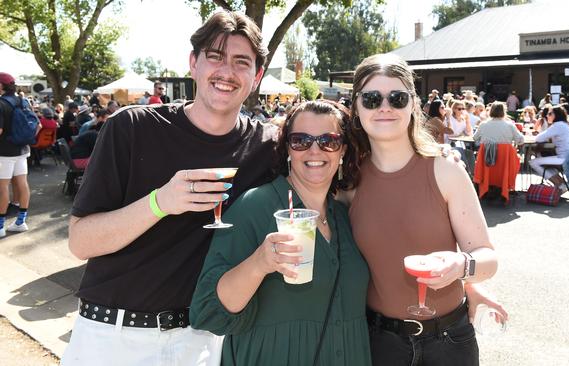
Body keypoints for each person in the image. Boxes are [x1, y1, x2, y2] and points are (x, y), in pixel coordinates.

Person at [62, 10, 275, 365]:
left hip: (202, 340)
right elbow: (80, 242)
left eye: (242, 62)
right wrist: (161, 202)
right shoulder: (132, 127)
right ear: (193, 63)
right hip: (112, 337)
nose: (226, 72)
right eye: (215, 57)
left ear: (257, 77)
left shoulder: (266, 146)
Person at [343, 53, 500, 366]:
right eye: (372, 98)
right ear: (357, 108)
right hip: (379, 343)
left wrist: (461, 267)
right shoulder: (348, 185)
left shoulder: (446, 172)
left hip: (449, 341)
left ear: (412, 105)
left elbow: (487, 258)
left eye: (397, 98)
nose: (385, 107)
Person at [191, 100, 372, 366]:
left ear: (342, 149)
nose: (314, 150)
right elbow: (207, 313)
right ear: (288, 147)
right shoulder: (254, 207)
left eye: (328, 141)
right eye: (301, 140)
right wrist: (258, 264)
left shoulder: (346, 217)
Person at [0, 72, 32, 237]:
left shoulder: (0, 103)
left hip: (4, 152)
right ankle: (21, 221)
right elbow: (37, 124)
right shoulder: (23, 100)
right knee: (22, 183)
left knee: (2, 186)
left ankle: (0, 226)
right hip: (23, 149)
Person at [529, 105, 569, 194]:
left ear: (556, 115)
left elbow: (538, 139)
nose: (547, 115)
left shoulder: (557, 125)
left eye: (550, 113)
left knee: (533, 162)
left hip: (563, 158)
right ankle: (563, 184)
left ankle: (560, 185)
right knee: (544, 162)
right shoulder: (565, 124)